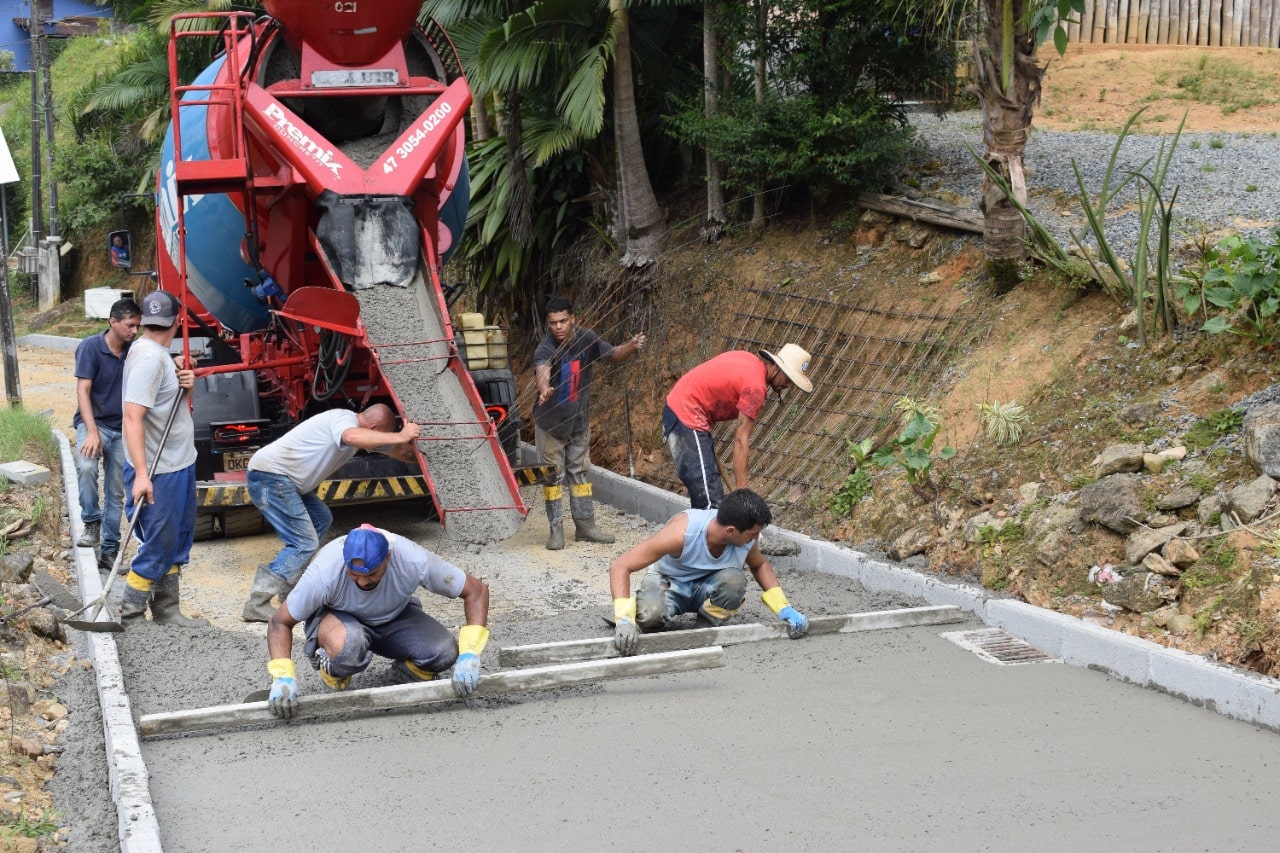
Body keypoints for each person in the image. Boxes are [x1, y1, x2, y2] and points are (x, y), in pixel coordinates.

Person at [265, 525, 491, 719]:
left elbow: (476, 591)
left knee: (445, 652)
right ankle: (335, 671)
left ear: (388, 558)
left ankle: (404, 674)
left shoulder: (413, 559)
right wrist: (283, 676)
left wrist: (470, 654)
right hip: (338, 621)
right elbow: (280, 623)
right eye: (354, 574)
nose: (362, 582)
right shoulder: (324, 573)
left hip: (392, 616)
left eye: (371, 574)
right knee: (350, 645)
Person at [240, 405, 423, 622]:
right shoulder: (342, 419)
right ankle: (257, 602)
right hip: (269, 477)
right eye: (380, 435)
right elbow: (352, 436)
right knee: (304, 543)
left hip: (286, 482)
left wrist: (425, 451)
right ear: (373, 427)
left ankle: (289, 592)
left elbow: (402, 452)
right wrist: (401, 434)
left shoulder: (363, 433)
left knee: (321, 519)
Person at [607, 488, 809, 654]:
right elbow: (620, 566)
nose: (756, 539)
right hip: (669, 582)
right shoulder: (682, 534)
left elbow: (759, 565)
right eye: (753, 534)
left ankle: (705, 625)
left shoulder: (745, 538)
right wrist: (624, 621)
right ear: (731, 530)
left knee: (735, 581)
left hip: (708, 585)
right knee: (650, 615)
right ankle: (644, 613)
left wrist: (784, 609)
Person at [119, 290, 207, 627]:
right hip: (159, 470)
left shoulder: (156, 354)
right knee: (158, 542)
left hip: (177, 461)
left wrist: (186, 382)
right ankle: (131, 616)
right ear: (178, 321)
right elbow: (132, 417)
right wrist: (142, 474)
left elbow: (165, 402)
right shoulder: (150, 359)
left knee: (177, 538)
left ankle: (167, 611)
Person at [533, 296, 645, 550]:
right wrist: (544, 388)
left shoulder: (587, 338)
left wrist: (631, 344)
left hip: (579, 423)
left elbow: (613, 355)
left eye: (563, 321)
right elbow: (543, 369)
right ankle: (556, 531)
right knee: (552, 477)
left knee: (580, 473)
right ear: (548, 325)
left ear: (573, 319)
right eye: (553, 323)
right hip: (550, 426)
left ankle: (585, 526)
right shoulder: (545, 348)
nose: (559, 327)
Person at [663, 344, 814, 509]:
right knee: (709, 500)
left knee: (707, 489)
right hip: (687, 413)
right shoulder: (755, 388)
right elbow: (741, 440)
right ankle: (705, 532)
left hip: (684, 411)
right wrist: (743, 492)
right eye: (788, 379)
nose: (788, 385)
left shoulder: (748, 359)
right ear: (777, 367)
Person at [73, 298, 141, 573]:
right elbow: (82, 391)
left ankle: (110, 551)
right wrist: (91, 432)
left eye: (138, 326)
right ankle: (91, 523)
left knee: (115, 491)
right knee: (87, 467)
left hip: (122, 429)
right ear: (113, 322)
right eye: (130, 325)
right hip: (94, 423)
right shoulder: (90, 348)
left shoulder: (133, 351)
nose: (134, 331)